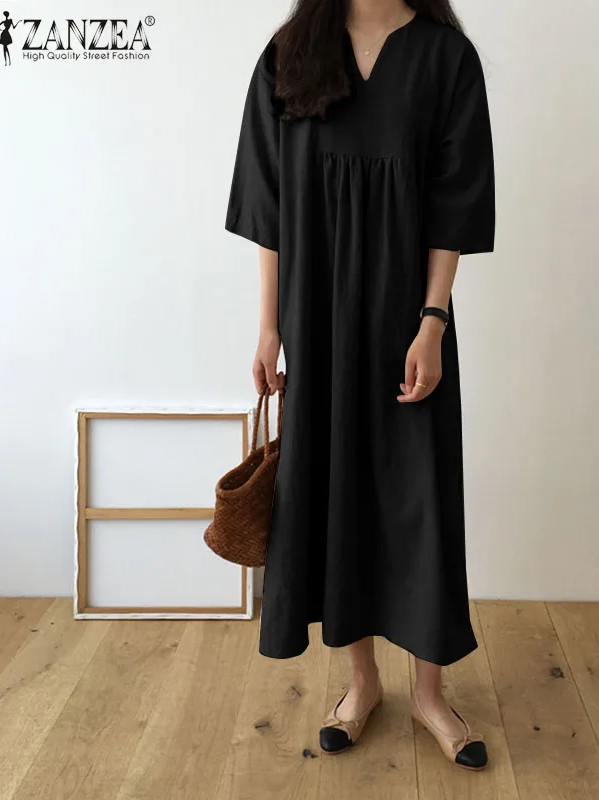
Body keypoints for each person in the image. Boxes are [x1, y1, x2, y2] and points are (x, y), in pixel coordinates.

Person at [225, 0, 495, 770]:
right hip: (317, 321)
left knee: (420, 496)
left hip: (408, 323)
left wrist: (433, 321)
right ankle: (362, 682)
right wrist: (270, 326)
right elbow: (270, 204)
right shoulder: (290, 54)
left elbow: (455, 203)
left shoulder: (446, 60)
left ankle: (431, 694)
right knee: (338, 492)